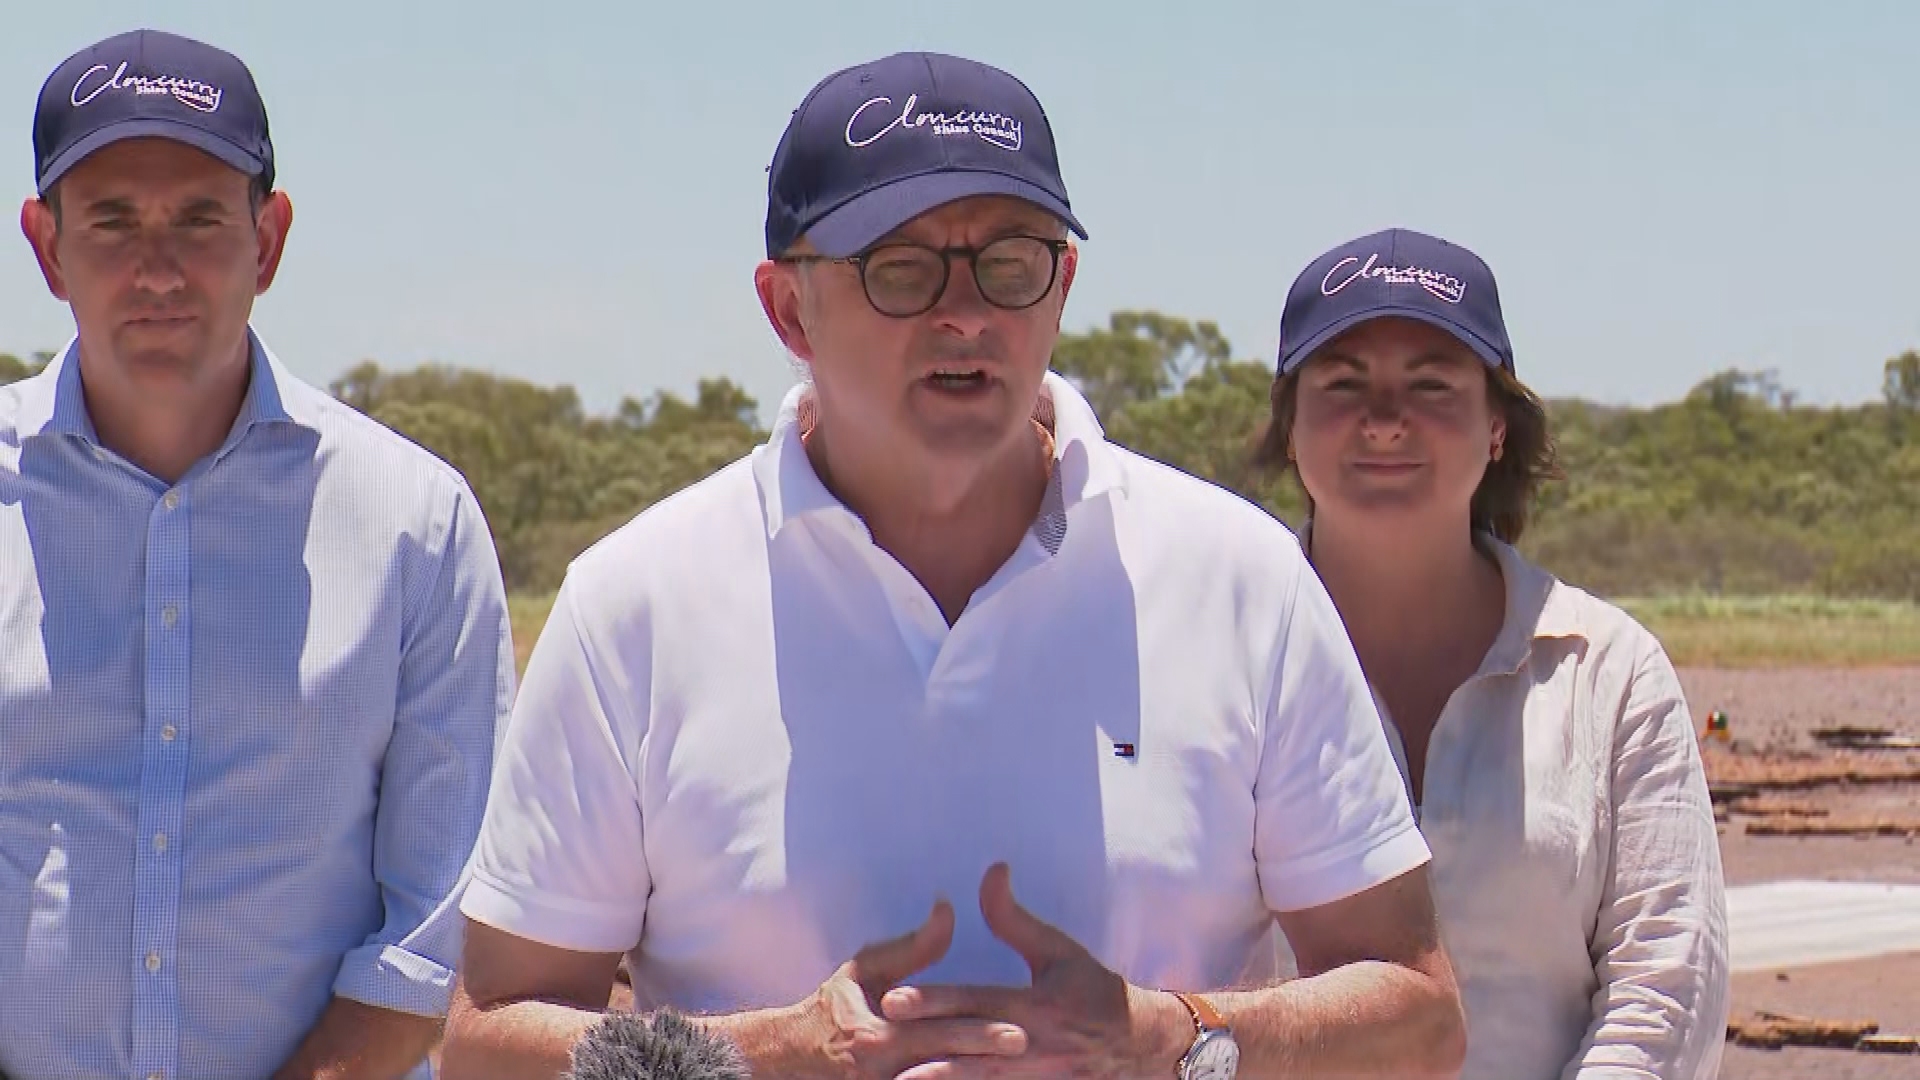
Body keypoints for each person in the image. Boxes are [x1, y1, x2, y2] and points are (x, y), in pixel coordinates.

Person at [445, 51, 1466, 1080]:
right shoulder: (633, 604)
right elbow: (490, 1041)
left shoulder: (1243, 581)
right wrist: (772, 1058)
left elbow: (1420, 1017)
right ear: (788, 309)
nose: (966, 314)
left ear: (1062, 287)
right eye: (902, 268)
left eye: (1010, 264)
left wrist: (1169, 1037)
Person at [0, 29, 515, 1080]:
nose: (157, 268)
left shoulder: (417, 524)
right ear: (47, 248)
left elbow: (438, 926)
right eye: (111, 221)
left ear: (267, 241)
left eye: (199, 219)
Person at [1254, 228, 1729, 1078]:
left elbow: (1666, 984)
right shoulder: (1216, 656)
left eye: (1432, 384)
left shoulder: (1609, 672)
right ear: (1290, 427)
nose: (1384, 420)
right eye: (1343, 382)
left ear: (1498, 425)